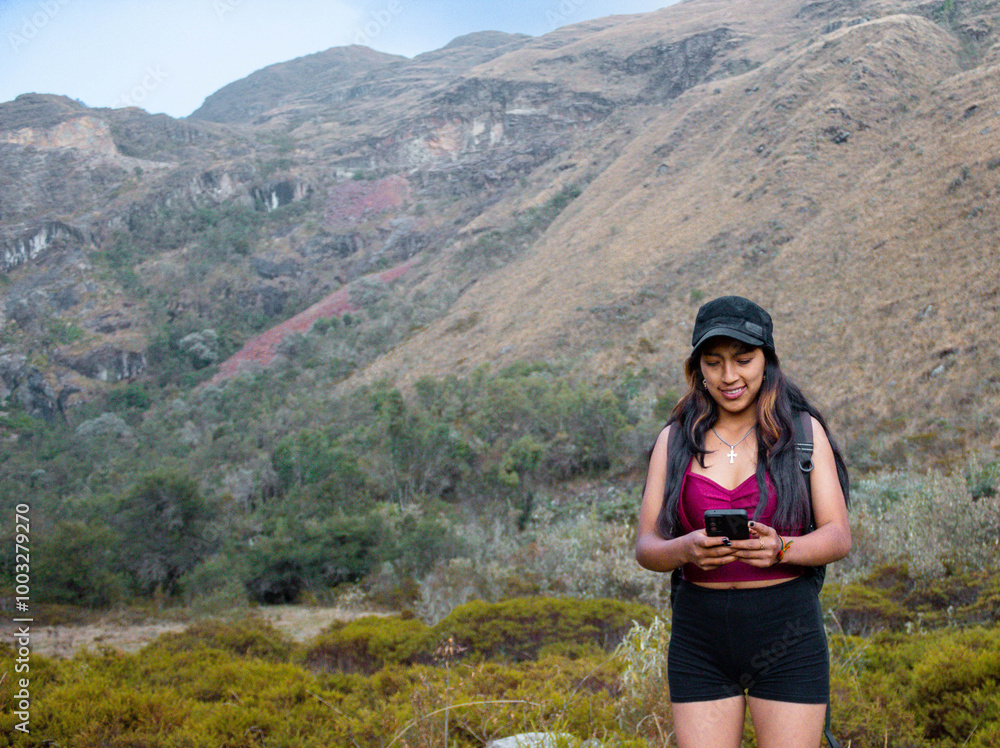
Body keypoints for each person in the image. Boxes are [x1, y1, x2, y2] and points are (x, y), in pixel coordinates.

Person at [635, 295, 851, 748]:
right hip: (699, 636)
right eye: (713, 363)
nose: (729, 377)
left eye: (744, 360)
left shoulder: (804, 434)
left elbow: (837, 536)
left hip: (788, 630)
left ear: (767, 360)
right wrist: (684, 549)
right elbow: (647, 547)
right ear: (698, 369)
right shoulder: (673, 440)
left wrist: (782, 549)